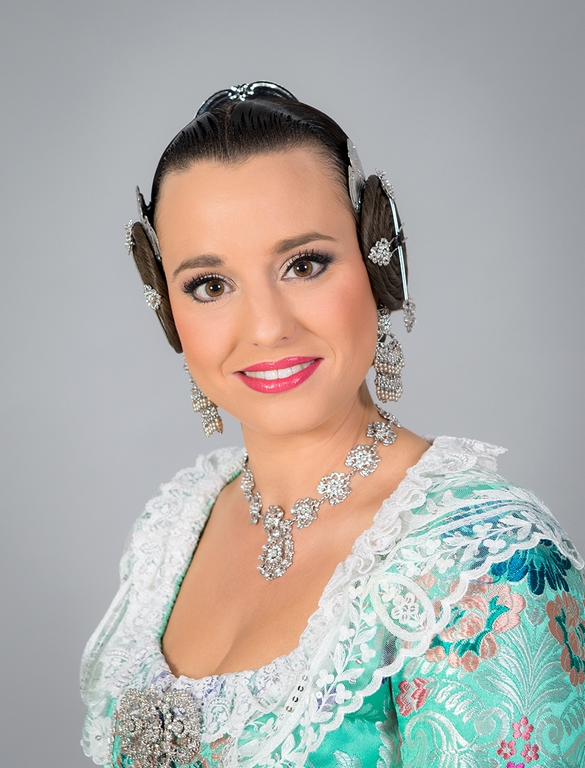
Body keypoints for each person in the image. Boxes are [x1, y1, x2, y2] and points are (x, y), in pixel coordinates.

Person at [80, 82, 585, 767]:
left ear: (380, 262)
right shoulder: (172, 531)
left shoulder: (484, 563)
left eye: (304, 265)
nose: (267, 327)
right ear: (168, 308)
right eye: (210, 285)